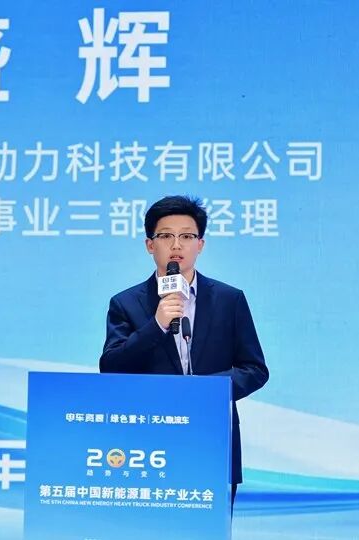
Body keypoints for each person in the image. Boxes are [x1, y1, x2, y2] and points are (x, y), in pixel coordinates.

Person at [99, 195, 269, 505]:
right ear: (150, 245)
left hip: (212, 437)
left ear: (200, 245)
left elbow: (254, 369)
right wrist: (156, 325)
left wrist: (205, 392)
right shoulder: (125, 303)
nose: (176, 245)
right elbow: (111, 367)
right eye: (166, 236)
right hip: (147, 446)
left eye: (187, 236)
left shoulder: (229, 300)